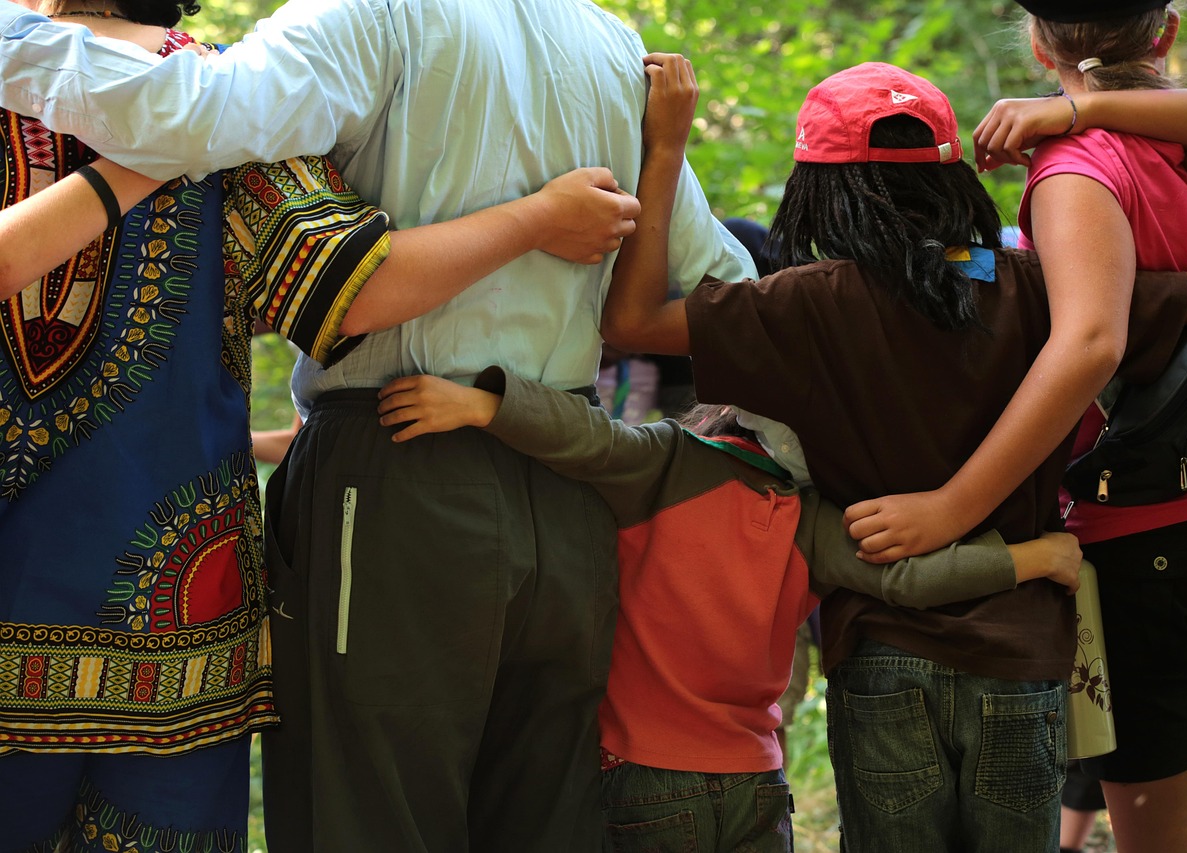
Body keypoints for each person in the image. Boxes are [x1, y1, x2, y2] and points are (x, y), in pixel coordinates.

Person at [0, 2, 759, 848]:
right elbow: (721, 281)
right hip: (553, 484)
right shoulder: (612, 46)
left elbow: (215, 131)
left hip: (397, 467)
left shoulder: (361, 18)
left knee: (367, 819)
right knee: (547, 819)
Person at [599, 53, 1187, 852]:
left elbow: (632, 322)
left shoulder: (800, 305)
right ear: (952, 173)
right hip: (1023, 656)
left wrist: (666, 148)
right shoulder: (1028, 284)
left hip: (882, 648)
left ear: (817, 184)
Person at [374, 365, 1086, 852]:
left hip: (645, 773)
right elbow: (904, 578)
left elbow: (585, 436)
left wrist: (484, 406)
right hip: (757, 781)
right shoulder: (807, 516)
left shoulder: (666, 461)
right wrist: (1034, 557)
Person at [991, 3, 1187, 851]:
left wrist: (956, 502)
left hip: (1144, 526)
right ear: (1166, 31)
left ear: (1040, 45)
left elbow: (1088, 345)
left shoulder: (1076, 165)